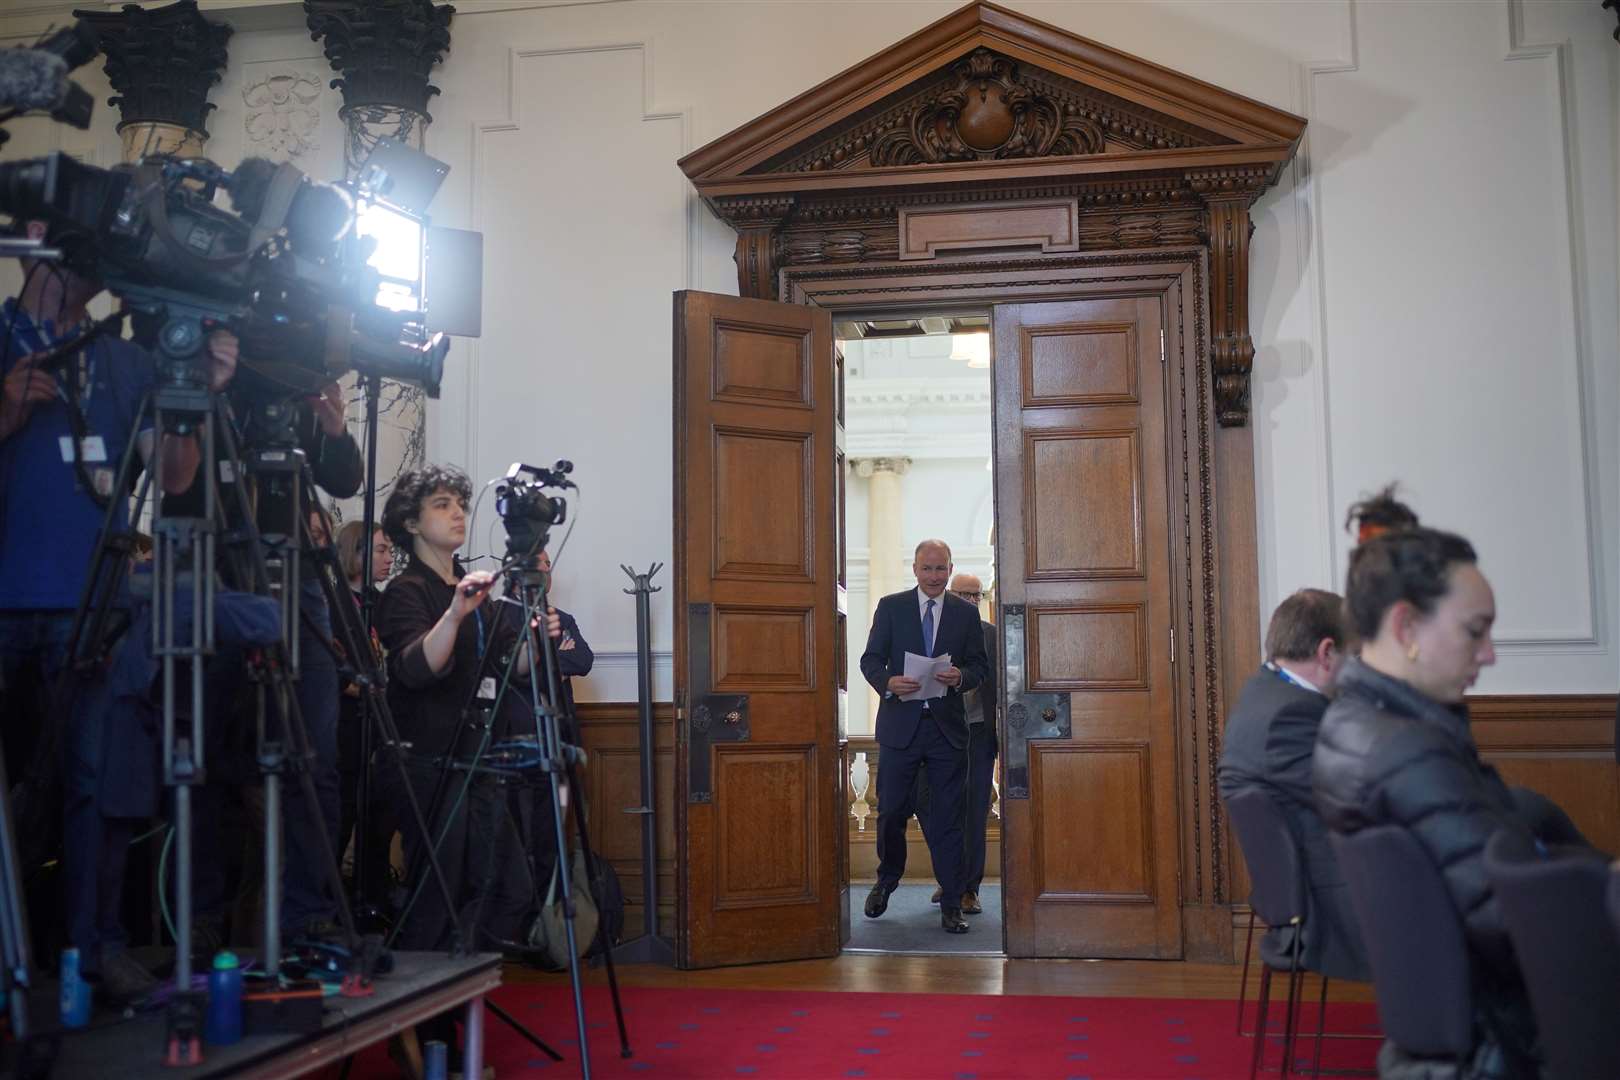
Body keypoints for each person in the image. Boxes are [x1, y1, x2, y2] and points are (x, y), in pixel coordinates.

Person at [0, 216, 237, 1003]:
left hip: (93, 602)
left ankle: (94, 949)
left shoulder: (126, 358)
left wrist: (191, 392)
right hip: (6, 594)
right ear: (40, 236)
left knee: (96, 784)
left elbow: (171, 478)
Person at [1312, 527, 1597, 1078]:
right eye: (1475, 631)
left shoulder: (1352, 725)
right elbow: (1514, 918)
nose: (1489, 654)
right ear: (1407, 626)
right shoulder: (1407, 751)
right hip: (1511, 1040)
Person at [374, 464, 559, 1072]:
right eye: (442, 505)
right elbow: (416, 670)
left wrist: (539, 629)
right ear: (410, 522)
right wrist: (455, 614)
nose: (458, 514)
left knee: (503, 887)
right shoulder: (406, 594)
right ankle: (426, 1035)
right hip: (428, 763)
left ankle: (450, 1017)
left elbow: (518, 674)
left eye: (460, 503)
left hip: (481, 759)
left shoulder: (476, 589)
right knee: (435, 902)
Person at [1218, 588, 1368, 981]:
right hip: (1335, 900)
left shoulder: (1266, 694)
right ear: (1326, 653)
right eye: (1355, 657)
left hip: (1318, 874)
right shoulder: (1290, 714)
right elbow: (1357, 801)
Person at [859, 539, 988, 934]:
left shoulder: (965, 614)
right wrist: (888, 683)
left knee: (950, 820)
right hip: (901, 730)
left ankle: (952, 903)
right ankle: (887, 880)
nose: (934, 576)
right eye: (926, 568)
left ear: (950, 569)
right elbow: (870, 660)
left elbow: (978, 666)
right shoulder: (891, 607)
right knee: (891, 812)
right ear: (914, 570)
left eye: (940, 568)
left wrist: (961, 678)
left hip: (947, 732)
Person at [334, 518, 394, 911]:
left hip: (378, 729)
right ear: (356, 552)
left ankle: (374, 904)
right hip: (343, 730)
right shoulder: (334, 601)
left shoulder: (381, 602)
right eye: (381, 550)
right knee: (340, 821)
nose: (390, 558)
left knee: (377, 823)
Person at [946, 572, 997, 916]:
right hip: (940, 734)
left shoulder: (991, 635)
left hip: (979, 734)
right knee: (943, 813)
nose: (970, 600)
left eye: (976, 595)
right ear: (951, 595)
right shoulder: (934, 631)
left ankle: (970, 889)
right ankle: (949, 880)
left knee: (976, 812)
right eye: (964, 594)